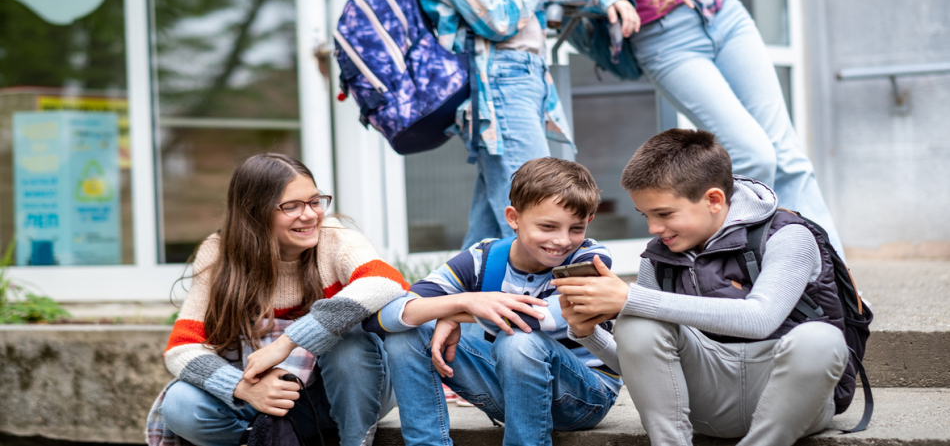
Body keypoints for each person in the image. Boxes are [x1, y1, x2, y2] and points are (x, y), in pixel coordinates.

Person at [534, 0, 846, 255]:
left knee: (789, 157)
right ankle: (756, 271)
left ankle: (834, 282)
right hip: (665, 41)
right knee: (754, 155)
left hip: (720, 13)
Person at [554, 129, 850, 446]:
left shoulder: (788, 236)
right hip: (708, 404)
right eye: (646, 215)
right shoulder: (657, 259)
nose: (654, 229)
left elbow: (761, 318)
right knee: (637, 323)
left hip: (794, 405)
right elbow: (646, 366)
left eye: (664, 214)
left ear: (713, 199)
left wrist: (632, 297)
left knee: (822, 338)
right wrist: (590, 335)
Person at [390, 0, 638, 249]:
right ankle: (537, 302)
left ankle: (453, 299)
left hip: (521, 80)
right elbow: (499, 18)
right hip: (502, 85)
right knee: (536, 211)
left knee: (493, 225)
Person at [146, 154, 410, 446]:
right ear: (254, 212)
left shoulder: (337, 240)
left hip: (344, 391)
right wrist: (243, 388)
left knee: (348, 342)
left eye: (314, 201)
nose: (310, 214)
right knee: (181, 404)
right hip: (264, 396)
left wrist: (289, 341)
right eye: (291, 206)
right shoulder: (219, 252)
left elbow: (385, 281)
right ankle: (268, 440)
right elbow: (182, 348)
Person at [365, 157, 621, 445]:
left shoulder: (588, 258)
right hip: (510, 387)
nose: (562, 241)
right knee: (408, 334)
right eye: (548, 227)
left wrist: (459, 311)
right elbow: (382, 318)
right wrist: (462, 302)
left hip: (584, 396)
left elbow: (545, 317)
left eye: (576, 228)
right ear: (513, 217)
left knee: (519, 341)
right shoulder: (482, 259)